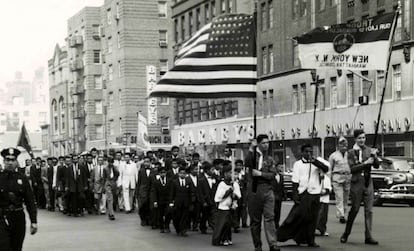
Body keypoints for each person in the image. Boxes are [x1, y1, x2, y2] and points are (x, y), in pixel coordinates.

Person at [277, 144, 329, 247]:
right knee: (299, 217)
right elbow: (295, 181)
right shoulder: (298, 164)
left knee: (313, 218)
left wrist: (315, 162)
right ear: (302, 152)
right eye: (306, 152)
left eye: (310, 152)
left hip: (315, 193)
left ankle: (310, 239)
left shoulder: (316, 163)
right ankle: (281, 235)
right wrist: (295, 196)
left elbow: (326, 169)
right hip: (304, 193)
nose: (309, 154)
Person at [340, 129, 380, 245]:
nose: (362, 140)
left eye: (363, 138)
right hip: (357, 183)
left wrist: (374, 156)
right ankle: (346, 233)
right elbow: (352, 169)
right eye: (359, 138)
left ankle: (368, 236)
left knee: (369, 211)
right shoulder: (351, 152)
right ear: (355, 139)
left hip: (368, 183)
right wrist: (365, 163)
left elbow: (376, 165)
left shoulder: (369, 150)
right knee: (355, 209)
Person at [245, 134, 280, 251]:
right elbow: (247, 163)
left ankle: (273, 244)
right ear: (258, 144)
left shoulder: (269, 159)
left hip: (267, 190)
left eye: (267, 143)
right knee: (255, 221)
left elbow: (272, 174)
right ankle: (257, 245)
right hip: (254, 190)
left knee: (270, 218)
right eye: (264, 143)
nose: (266, 145)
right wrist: (251, 148)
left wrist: (261, 174)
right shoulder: (252, 156)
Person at [0, 148, 37, 251]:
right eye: (7, 160)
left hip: (18, 218)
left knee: (17, 247)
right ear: (4, 161)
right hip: (2, 218)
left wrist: (33, 221)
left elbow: (30, 201)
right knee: (4, 247)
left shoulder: (23, 178)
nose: (10, 163)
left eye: (13, 160)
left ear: (16, 162)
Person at [212, 165, 241, 246]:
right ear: (225, 174)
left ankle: (228, 238)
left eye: (233, 173)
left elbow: (238, 195)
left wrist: (234, 195)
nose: (231, 174)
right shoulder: (222, 184)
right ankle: (220, 239)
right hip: (223, 207)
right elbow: (218, 197)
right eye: (229, 173)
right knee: (223, 224)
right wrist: (229, 191)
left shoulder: (235, 184)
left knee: (229, 224)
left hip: (231, 207)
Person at [329, 136, 351, 224]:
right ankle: (341, 215)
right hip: (337, 178)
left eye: (345, 145)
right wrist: (329, 182)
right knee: (339, 197)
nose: (344, 146)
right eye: (342, 145)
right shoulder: (333, 156)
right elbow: (330, 169)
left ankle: (344, 214)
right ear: (338, 145)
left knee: (346, 198)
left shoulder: (349, 155)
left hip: (347, 178)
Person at [169, 166, 191, 237]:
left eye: (184, 173)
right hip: (177, 203)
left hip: (185, 203)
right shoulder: (174, 182)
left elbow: (190, 193)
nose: (182, 174)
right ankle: (178, 229)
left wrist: (190, 202)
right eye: (181, 173)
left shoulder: (188, 182)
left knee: (184, 217)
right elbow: (172, 193)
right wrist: (171, 202)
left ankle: (183, 230)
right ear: (178, 174)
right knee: (177, 217)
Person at [150, 166, 172, 233]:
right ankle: (162, 227)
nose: (163, 174)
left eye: (164, 172)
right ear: (159, 173)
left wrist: (171, 200)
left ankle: (167, 225)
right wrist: (155, 201)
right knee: (160, 214)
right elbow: (154, 192)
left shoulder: (169, 181)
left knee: (168, 213)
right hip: (160, 200)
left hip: (168, 200)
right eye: (161, 173)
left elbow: (172, 191)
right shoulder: (156, 182)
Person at [199, 161, 217, 234]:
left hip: (212, 200)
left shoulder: (214, 178)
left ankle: (214, 227)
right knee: (205, 215)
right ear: (207, 170)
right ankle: (202, 227)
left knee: (213, 215)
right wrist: (203, 201)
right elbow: (200, 192)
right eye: (211, 170)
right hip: (206, 201)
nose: (213, 171)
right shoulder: (201, 180)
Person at [137, 156, 153, 226]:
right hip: (142, 190)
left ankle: (149, 219)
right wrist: (137, 192)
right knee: (142, 205)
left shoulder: (153, 171)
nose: (146, 163)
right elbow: (139, 182)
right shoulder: (141, 171)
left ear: (150, 162)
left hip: (151, 190)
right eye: (145, 162)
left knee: (149, 206)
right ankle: (143, 219)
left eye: (148, 162)